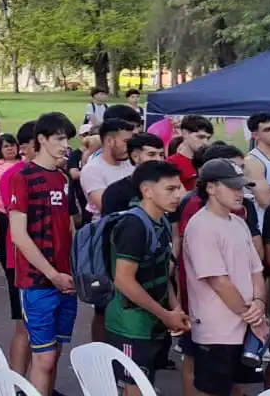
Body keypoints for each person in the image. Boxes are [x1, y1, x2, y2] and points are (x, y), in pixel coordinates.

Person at [182, 158, 267, 396]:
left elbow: (256, 270)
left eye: (240, 187)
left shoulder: (239, 223)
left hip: (245, 326)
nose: (239, 193)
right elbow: (217, 281)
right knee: (211, 390)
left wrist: (259, 304)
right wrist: (252, 316)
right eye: (232, 186)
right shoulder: (201, 226)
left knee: (236, 387)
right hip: (216, 329)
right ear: (210, 187)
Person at [6, 112, 77, 396]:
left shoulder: (61, 177)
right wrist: (52, 274)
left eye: (67, 138)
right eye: (59, 138)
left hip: (65, 279)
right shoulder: (22, 177)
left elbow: (69, 224)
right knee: (44, 356)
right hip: (38, 280)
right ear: (42, 139)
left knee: (55, 351)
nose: (64, 144)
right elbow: (18, 235)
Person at [105, 160, 191, 395]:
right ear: (147, 191)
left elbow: (162, 272)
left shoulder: (161, 220)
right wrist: (165, 314)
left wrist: (175, 310)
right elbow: (123, 280)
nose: (178, 195)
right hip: (130, 326)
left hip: (151, 322)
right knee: (136, 388)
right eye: (170, 189)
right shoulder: (134, 225)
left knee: (144, 384)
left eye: (179, 188)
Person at [80, 119, 136, 218]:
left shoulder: (132, 164)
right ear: (110, 141)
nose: (130, 146)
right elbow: (107, 207)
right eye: (126, 141)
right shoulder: (92, 170)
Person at [99, 133, 166, 217]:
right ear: (135, 156)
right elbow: (110, 226)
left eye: (161, 155)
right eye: (151, 154)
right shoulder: (116, 191)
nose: (159, 159)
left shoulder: (168, 186)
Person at [168, 114, 215, 191]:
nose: (205, 142)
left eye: (208, 138)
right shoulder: (171, 163)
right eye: (201, 137)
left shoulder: (211, 161)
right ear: (184, 133)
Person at [246, 112, 270, 212]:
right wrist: (269, 192)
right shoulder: (252, 161)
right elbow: (266, 202)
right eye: (268, 130)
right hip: (268, 224)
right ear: (255, 135)